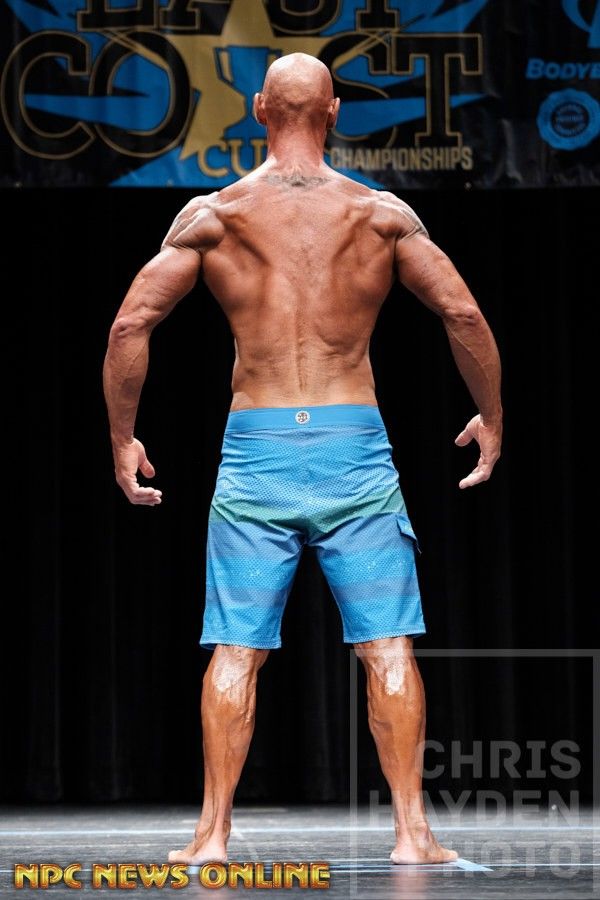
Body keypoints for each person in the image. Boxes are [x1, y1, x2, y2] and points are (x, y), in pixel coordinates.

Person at [103, 52, 502, 866]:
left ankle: (212, 836)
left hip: (258, 450)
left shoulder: (215, 216)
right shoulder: (379, 215)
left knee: (236, 650)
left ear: (258, 108)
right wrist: (492, 416)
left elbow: (129, 325)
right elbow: (461, 312)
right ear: (335, 111)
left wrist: (123, 437)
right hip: (354, 448)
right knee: (386, 646)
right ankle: (413, 835)